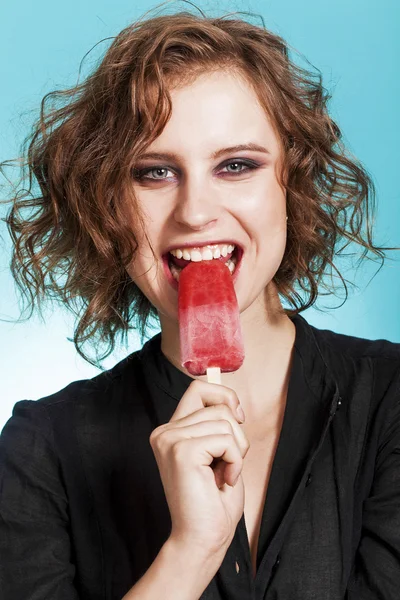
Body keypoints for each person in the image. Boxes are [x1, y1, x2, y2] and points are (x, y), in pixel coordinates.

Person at [1, 5, 399, 600]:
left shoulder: (391, 398)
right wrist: (191, 552)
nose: (194, 212)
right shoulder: (41, 448)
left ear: (291, 183)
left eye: (236, 165)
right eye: (153, 173)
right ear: (105, 207)